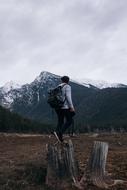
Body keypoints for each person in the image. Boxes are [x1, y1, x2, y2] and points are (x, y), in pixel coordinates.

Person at [54, 76, 75, 142]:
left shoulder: (58, 87)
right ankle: (60, 133)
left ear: (61, 80)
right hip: (64, 107)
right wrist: (71, 107)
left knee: (60, 121)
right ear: (68, 81)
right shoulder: (67, 86)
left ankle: (58, 135)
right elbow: (68, 97)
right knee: (70, 120)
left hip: (57, 107)